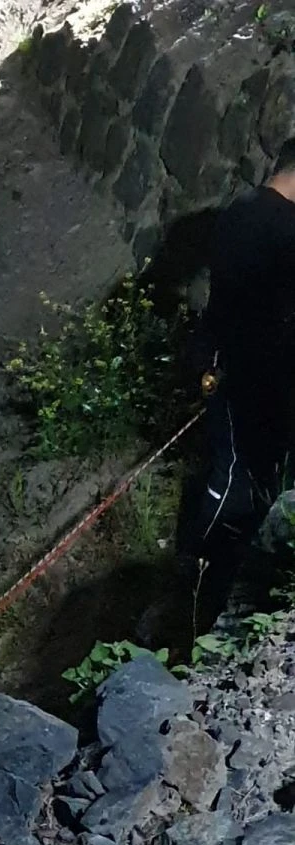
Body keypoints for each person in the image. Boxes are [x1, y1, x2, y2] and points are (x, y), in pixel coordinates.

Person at [184, 138, 295, 618]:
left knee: (239, 468)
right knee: (235, 476)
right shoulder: (283, 228)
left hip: (228, 359)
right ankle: (199, 574)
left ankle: (210, 565)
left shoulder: (240, 209)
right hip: (252, 371)